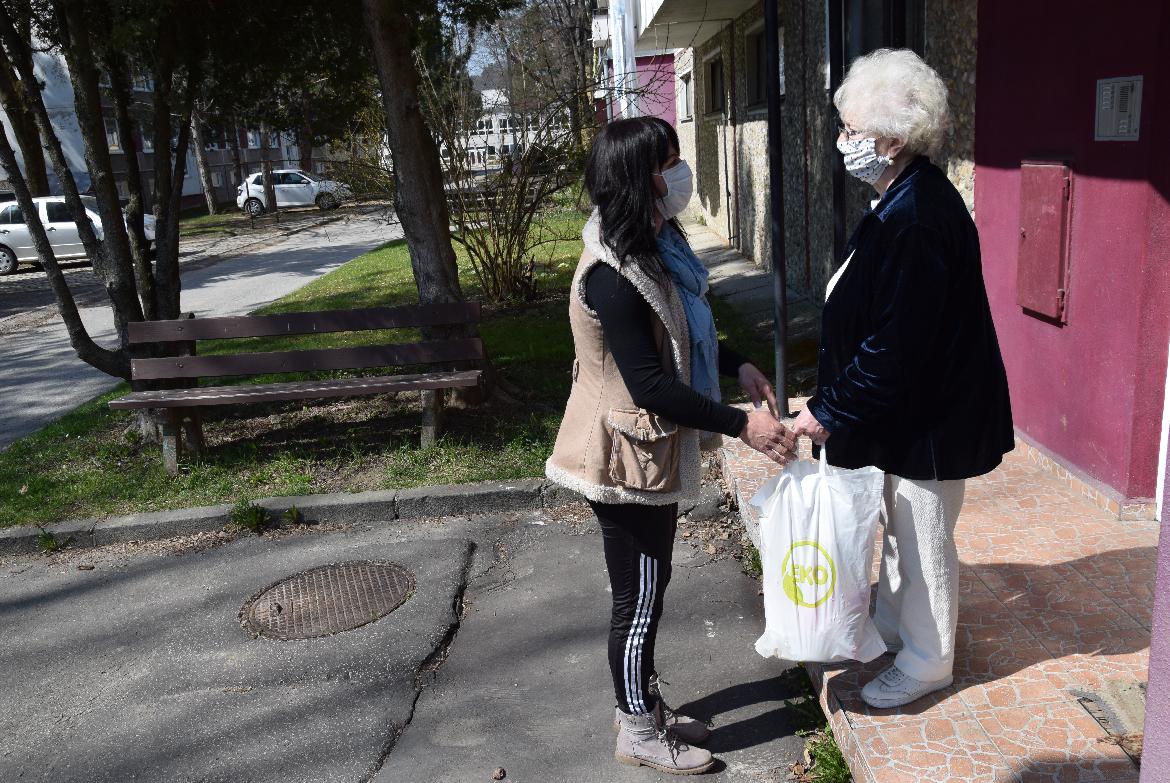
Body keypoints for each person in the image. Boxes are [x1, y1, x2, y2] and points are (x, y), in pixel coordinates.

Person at [545, 116, 797, 774]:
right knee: (638, 595)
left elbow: (685, 335)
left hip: (644, 446)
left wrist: (737, 361)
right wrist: (744, 425)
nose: (679, 173)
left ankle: (644, 705)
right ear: (638, 179)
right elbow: (653, 384)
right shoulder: (612, 275)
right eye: (668, 162)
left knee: (650, 586)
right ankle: (636, 727)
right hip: (619, 453)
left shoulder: (656, 248)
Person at [792, 48, 1014, 709]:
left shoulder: (915, 215)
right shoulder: (900, 197)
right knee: (900, 535)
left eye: (852, 130)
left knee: (922, 542)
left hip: (933, 421)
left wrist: (829, 408)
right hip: (909, 417)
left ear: (890, 138)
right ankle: (894, 624)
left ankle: (927, 659)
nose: (843, 142)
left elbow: (896, 346)